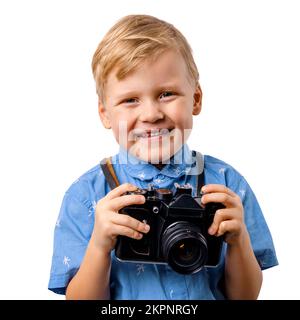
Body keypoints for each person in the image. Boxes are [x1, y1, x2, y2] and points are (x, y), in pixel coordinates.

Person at [48, 14, 278, 300]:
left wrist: (239, 239)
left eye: (167, 94)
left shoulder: (227, 185)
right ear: (105, 114)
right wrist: (99, 246)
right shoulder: (86, 196)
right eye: (130, 100)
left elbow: (244, 297)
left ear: (195, 99)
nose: (151, 114)